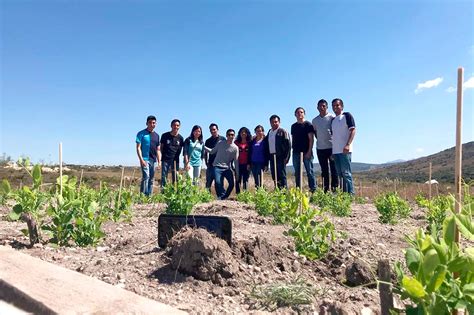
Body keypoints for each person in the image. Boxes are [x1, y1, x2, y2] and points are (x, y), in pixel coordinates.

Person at [312, 99, 338, 192]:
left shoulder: (332, 117)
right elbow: (315, 133)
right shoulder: (314, 120)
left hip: (331, 147)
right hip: (320, 148)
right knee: (324, 170)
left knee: (334, 170)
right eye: (320, 106)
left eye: (323, 106)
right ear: (317, 108)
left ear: (327, 107)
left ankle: (335, 190)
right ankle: (325, 190)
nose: (322, 108)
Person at [331, 98, 356, 195]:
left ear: (342, 106)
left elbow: (353, 130)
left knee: (346, 173)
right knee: (339, 174)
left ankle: (351, 194)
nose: (335, 107)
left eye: (337, 105)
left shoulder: (347, 116)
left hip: (345, 150)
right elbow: (334, 137)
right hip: (336, 151)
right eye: (334, 106)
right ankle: (343, 194)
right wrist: (333, 151)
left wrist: (348, 144)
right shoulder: (333, 120)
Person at [205, 129, 239, 200]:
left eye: (232, 135)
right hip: (217, 167)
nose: (230, 136)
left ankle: (224, 196)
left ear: (234, 136)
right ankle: (221, 197)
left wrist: (237, 173)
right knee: (218, 183)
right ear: (226, 135)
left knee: (232, 184)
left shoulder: (235, 148)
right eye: (229, 134)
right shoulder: (220, 143)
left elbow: (236, 161)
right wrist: (203, 146)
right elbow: (212, 151)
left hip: (227, 168)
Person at [291, 107, 317, 193]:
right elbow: (293, 139)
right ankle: (298, 191)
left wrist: (309, 151)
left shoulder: (308, 125)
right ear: (295, 115)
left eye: (301, 112)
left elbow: (311, 139)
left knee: (310, 172)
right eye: (298, 112)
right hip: (296, 152)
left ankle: (313, 190)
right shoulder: (293, 126)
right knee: (297, 173)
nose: (299, 114)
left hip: (306, 151)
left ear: (304, 114)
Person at [135, 115, 161, 196]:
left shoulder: (157, 135)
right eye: (150, 122)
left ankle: (149, 196)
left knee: (151, 179)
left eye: (153, 123)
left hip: (153, 160)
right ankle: (142, 196)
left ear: (155, 124)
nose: (152, 124)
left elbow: (158, 149)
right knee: (146, 177)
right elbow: (138, 147)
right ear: (147, 123)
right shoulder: (141, 133)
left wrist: (159, 161)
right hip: (145, 159)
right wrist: (141, 159)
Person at [266, 115, 291, 189]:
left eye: (276, 122)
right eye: (272, 122)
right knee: (274, 175)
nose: (274, 123)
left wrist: (287, 157)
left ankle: (284, 193)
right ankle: (277, 191)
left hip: (281, 157)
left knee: (282, 175)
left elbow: (288, 145)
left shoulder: (283, 131)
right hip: (271, 156)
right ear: (270, 123)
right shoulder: (269, 132)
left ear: (279, 122)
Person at [160, 119, 184, 187]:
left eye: (177, 125)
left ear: (179, 127)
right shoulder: (165, 135)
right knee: (164, 177)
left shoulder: (181, 138)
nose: (175, 127)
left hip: (175, 161)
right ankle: (163, 193)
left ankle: (174, 193)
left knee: (175, 178)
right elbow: (161, 147)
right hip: (165, 160)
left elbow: (181, 149)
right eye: (174, 125)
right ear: (171, 126)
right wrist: (164, 155)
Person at [204, 123, 225, 191]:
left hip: (220, 165)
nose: (212, 131)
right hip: (211, 165)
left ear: (217, 130)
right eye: (211, 130)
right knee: (208, 183)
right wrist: (206, 163)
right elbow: (205, 153)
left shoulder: (223, 139)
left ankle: (221, 198)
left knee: (219, 183)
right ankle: (207, 198)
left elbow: (226, 151)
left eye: (214, 129)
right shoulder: (208, 141)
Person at [234, 127, 251, 194]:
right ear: (239, 134)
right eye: (242, 132)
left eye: (245, 132)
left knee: (245, 180)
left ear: (247, 133)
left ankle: (244, 195)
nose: (243, 133)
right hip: (238, 164)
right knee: (238, 179)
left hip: (247, 164)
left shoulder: (250, 143)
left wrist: (249, 164)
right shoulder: (236, 143)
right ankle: (238, 194)